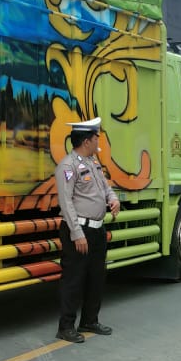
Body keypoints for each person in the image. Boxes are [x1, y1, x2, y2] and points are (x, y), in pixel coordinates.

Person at [53, 117, 120, 343]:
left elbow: (104, 187)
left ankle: (90, 320)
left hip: (97, 231)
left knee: (96, 277)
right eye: (95, 137)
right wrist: (77, 233)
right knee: (74, 279)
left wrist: (113, 199)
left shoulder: (92, 163)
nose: (98, 140)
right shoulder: (68, 166)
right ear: (86, 140)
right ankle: (66, 326)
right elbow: (66, 201)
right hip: (79, 230)